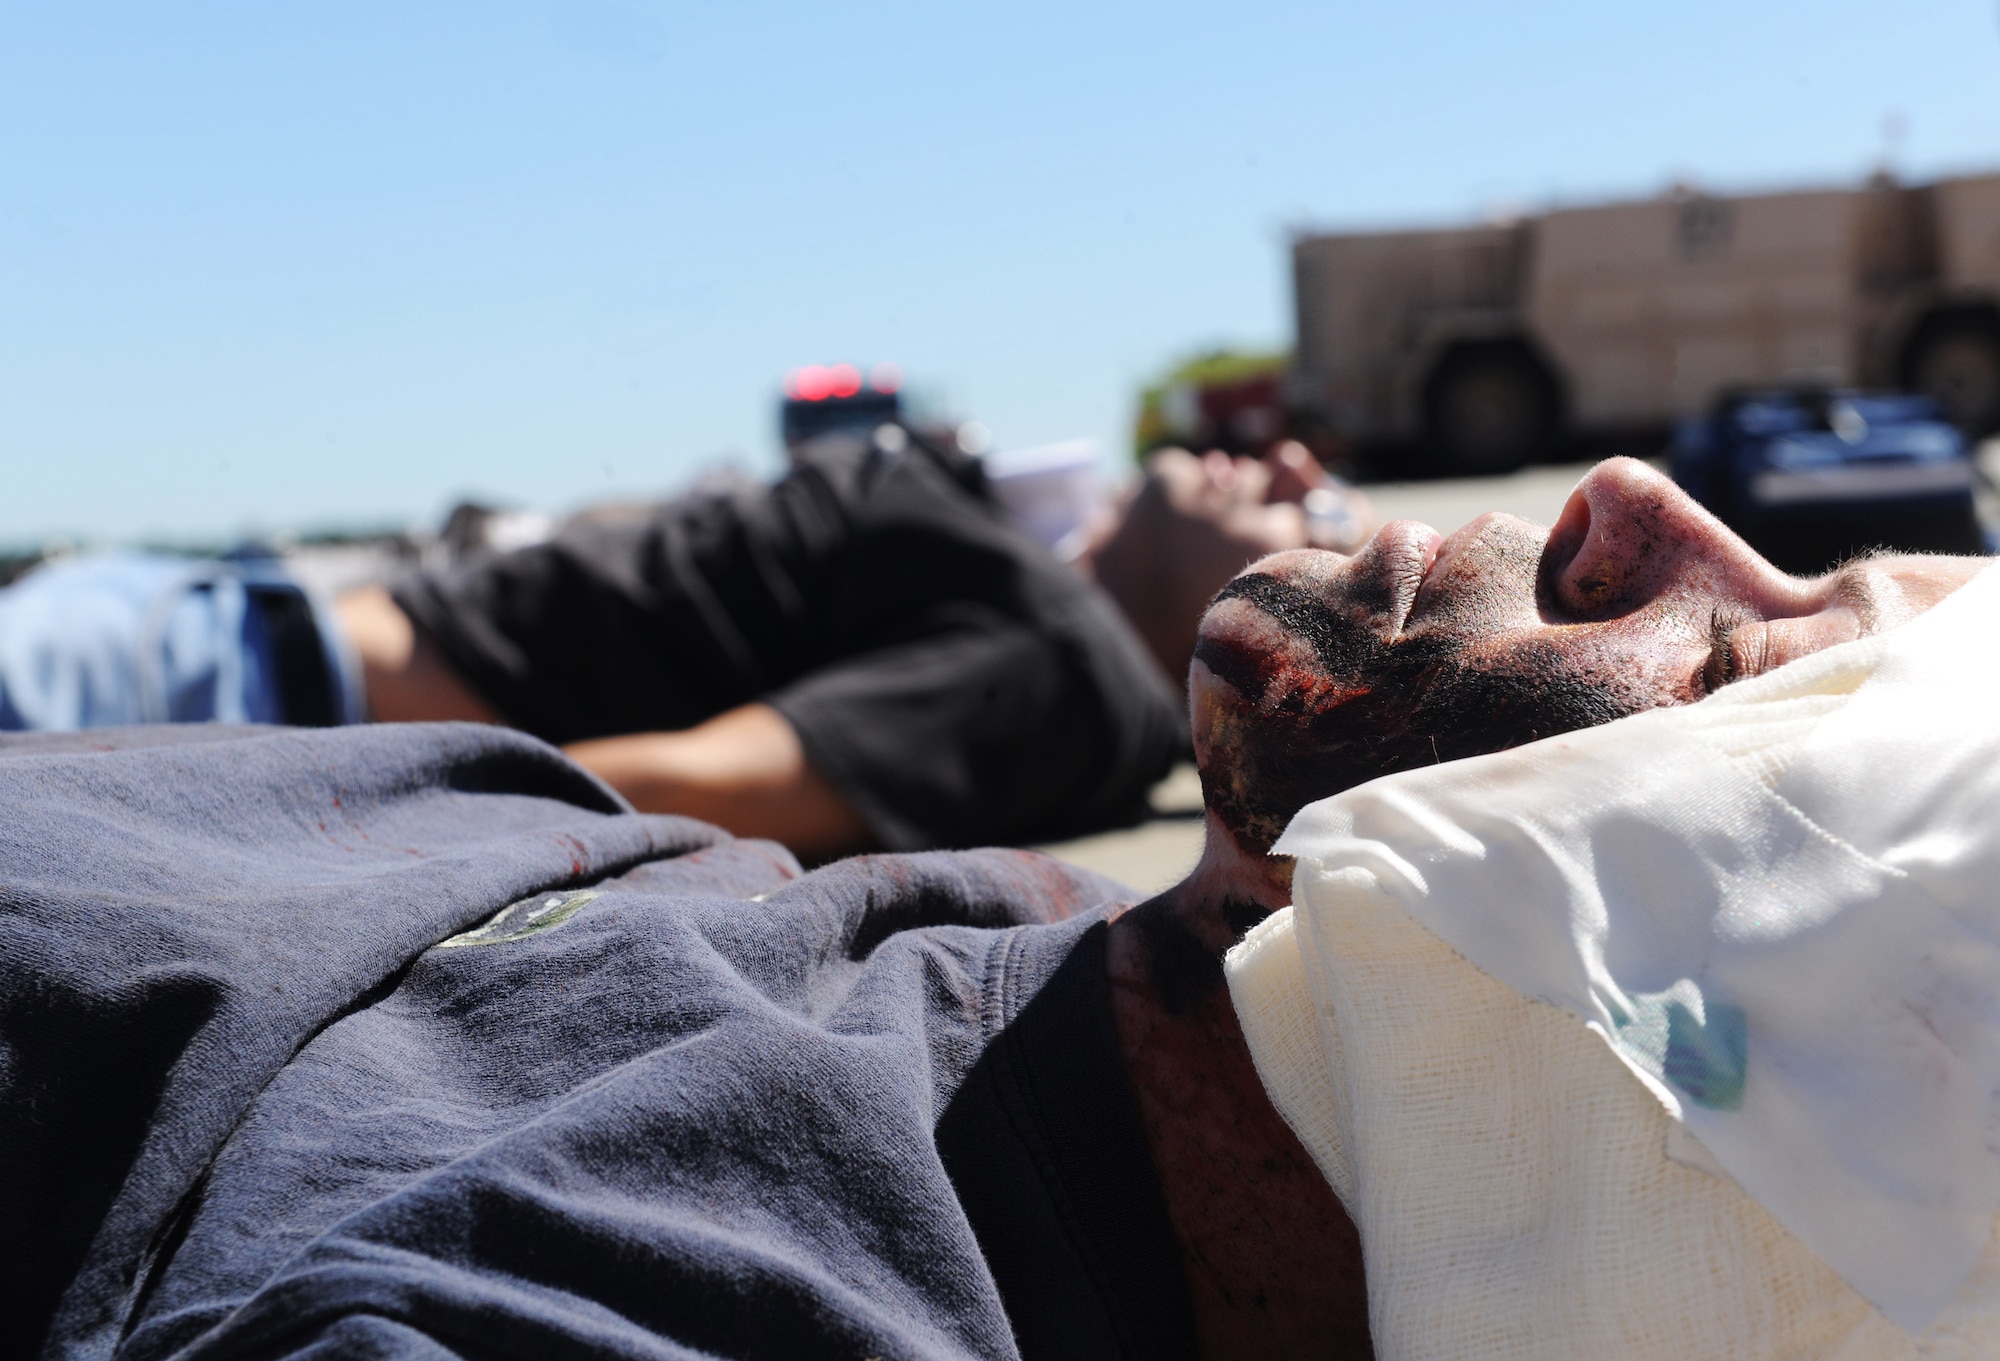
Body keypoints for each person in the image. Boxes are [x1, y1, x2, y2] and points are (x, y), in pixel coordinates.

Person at [8, 457, 1972, 1359]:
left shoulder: (774, 1286)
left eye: (1746, 673)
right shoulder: (1048, 958)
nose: (1629, 506)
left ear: (1686, 1040)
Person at [0, 426, 1362, 858]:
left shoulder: (1056, 669)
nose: (1290, 455)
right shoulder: (1037, 574)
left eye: (1323, 512)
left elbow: (679, 781)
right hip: (197, 624)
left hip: (208, 692)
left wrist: (234, 831)